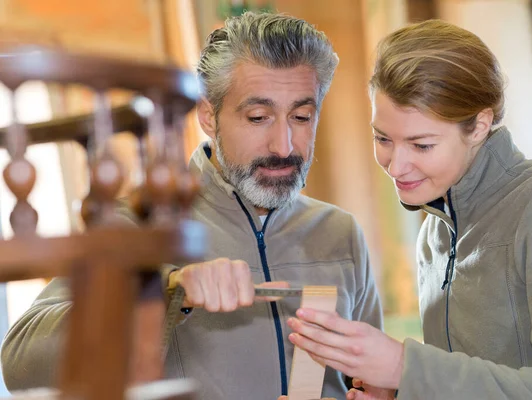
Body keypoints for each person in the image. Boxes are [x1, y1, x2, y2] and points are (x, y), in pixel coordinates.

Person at [1, 12, 383, 400]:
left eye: (302, 117)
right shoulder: (138, 228)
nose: (284, 145)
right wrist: (164, 293)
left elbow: (369, 377)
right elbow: (21, 366)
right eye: (258, 117)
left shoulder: (341, 232)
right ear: (208, 116)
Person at [286, 19, 532, 400]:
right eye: (383, 138)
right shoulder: (432, 235)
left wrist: (405, 367)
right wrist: (402, 392)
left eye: (421, 145)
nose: (396, 165)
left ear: (480, 126)